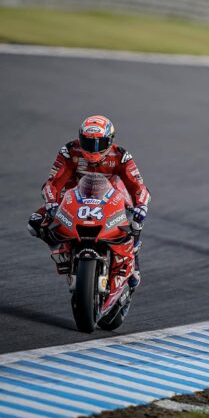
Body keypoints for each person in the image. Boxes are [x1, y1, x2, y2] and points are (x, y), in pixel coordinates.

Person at [27, 115, 150, 288]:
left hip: (110, 197)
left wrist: (141, 205)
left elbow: (138, 186)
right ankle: (61, 248)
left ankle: (134, 259)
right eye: (88, 143)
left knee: (136, 217)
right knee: (34, 223)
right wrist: (51, 203)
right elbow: (52, 183)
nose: (93, 150)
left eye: (99, 144)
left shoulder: (121, 155)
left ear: (110, 140)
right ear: (80, 138)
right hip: (74, 197)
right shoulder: (70, 151)